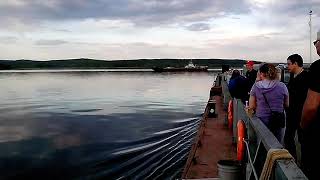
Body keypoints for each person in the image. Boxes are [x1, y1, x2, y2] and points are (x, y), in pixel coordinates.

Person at [248, 63, 289, 143]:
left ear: (261, 73)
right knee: (278, 143)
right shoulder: (282, 86)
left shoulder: (256, 86)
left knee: (262, 143)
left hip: (262, 120)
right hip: (278, 119)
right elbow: (287, 104)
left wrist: (257, 80)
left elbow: (251, 106)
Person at [300, 31, 320, 180]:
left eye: (316, 42)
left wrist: (302, 125)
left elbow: (312, 106)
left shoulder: (318, 68)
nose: (315, 46)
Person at [284, 54, 308, 160]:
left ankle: (303, 166)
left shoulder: (306, 77)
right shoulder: (294, 77)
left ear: (296, 64)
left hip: (301, 114)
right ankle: (292, 161)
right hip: (291, 114)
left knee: (303, 141)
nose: (287, 66)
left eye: (289, 64)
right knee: (288, 138)